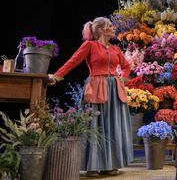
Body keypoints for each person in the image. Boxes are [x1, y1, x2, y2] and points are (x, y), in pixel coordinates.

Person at [48, 17, 133, 177]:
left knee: (112, 125)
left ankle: (110, 165)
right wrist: (56, 77)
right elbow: (72, 62)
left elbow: (127, 66)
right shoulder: (90, 45)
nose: (114, 28)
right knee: (95, 126)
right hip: (96, 87)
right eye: (110, 25)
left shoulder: (115, 49)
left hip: (114, 91)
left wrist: (122, 78)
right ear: (101, 30)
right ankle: (93, 165)